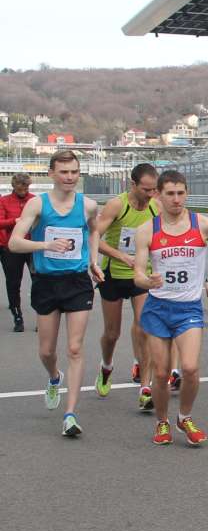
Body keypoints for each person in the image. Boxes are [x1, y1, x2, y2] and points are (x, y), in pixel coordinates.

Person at [7, 150, 104, 437]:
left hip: (76, 282)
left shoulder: (87, 205)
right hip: (46, 282)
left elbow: (95, 231)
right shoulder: (38, 205)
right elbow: (14, 243)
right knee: (47, 351)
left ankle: (70, 414)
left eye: (74, 172)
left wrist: (93, 260)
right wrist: (46, 246)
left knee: (75, 348)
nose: (70, 177)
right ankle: (53, 377)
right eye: (64, 172)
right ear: (51, 174)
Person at [131, 170, 208, 445]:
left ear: (187, 193)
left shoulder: (203, 224)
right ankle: (162, 421)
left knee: (190, 368)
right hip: (158, 308)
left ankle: (184, 417)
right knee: (160, 373)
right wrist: (147, 281)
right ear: (158, 195)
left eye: (181, 193)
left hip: (189, 309)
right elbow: (137, 273)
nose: (176, 199)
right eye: (170, 194)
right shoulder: (148, 230)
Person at [92, 163, 160, 406]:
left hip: (141, 275)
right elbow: (94, 238)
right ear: (132, 184)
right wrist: (121, 256)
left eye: (154, 189)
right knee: (112, 333)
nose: (151, 194)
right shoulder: (117, 205)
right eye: (146, 189)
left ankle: (145, 387)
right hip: (114, 275)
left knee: (144, 327)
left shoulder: (156, 206)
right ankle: (106, 366)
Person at [1, 173, 35, 331]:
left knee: (39, 280)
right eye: (21, 188)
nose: (23, 191)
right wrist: (13, 221)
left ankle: (42, 316)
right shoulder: (4, 201)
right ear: (14, 186)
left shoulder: (35, 200)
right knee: (13, 283)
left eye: (26, 188)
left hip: (33, 246)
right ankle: (18, 317)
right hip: (11, 247)